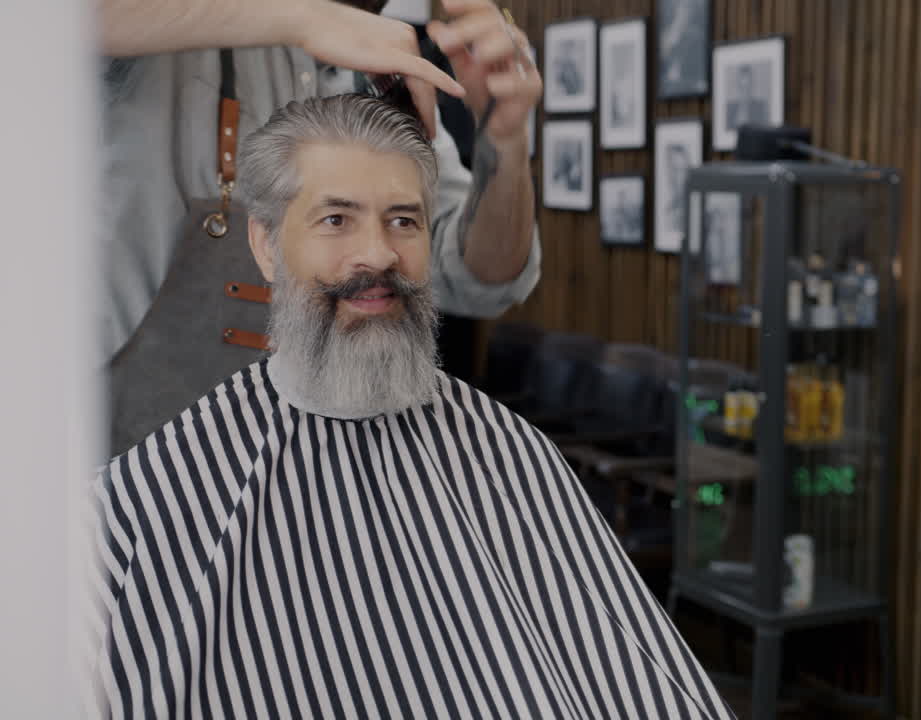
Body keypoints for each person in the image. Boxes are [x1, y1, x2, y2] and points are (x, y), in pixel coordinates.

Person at [89, 94, 735, 719]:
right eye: (335, 219)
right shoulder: (146, 497)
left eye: (404, 221)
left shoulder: (507, 454)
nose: (378, 254)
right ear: (265, 245)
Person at [99, 0, 542, 457]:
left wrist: (505, 142)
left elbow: (481, 277)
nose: (377, 254)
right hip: (125, 455)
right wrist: (306, 18)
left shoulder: (383, 73)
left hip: (318, 464)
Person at [725, 63, 769, 129]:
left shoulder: (760, 107)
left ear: (752, 85)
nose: (745, 92)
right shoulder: (730, 108)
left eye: (748, 88)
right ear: (738, 86)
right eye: (742, 88)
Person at [664, 143, 693, 233]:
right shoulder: (668, 210)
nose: (675, 177)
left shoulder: (690, 211)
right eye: (673, 169)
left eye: (681, 170)